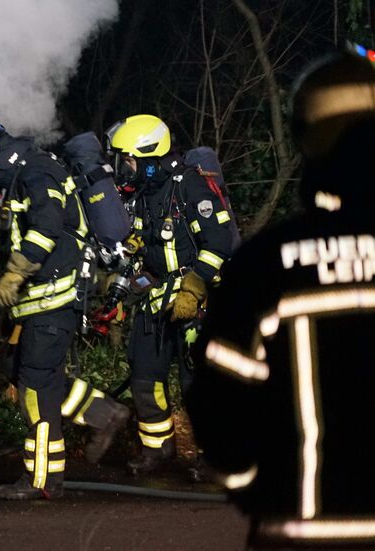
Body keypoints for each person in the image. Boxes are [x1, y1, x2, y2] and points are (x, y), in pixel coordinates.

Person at [187, 45, 375, 548]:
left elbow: (217, 401)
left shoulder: (265, 265)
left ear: (306, 138)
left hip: (301, 530)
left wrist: (252, 487)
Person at [0, 120, 130, 500]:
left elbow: (46, 229)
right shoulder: (26, 175)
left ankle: (41, 479)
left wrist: (15, 272)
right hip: (44, 303)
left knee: (34, 388)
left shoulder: (37, 171)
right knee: (30, 376)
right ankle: (104, 413)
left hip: (54, 301)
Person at [104, 114, 236, 475]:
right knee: (145, 378)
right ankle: (157, 449)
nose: (124, 168)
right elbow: (142, 245)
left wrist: (194, 287)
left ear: (149, 159)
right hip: (156, 299)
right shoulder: (143, 194)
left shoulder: (191, 186)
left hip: (197, 302)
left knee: (198, 383)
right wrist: (123, 281)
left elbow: (219, 243)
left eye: (128, 160)